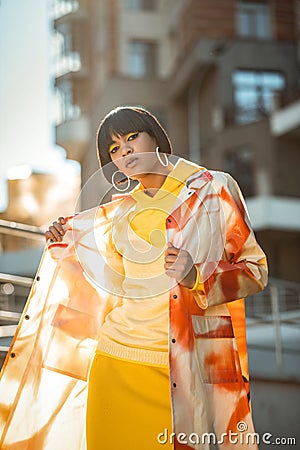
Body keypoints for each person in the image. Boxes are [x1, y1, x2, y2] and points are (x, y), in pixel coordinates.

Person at [0, 106, 268, 450]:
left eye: (131, 138)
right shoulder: (117, 213)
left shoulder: (212, 190)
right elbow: (97, 287)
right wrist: (63, 244)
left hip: (179, 371)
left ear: (155, 137)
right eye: (113, 148)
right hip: (114, 360)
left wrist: (196, 276)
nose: (124, 151)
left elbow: (255, 270)